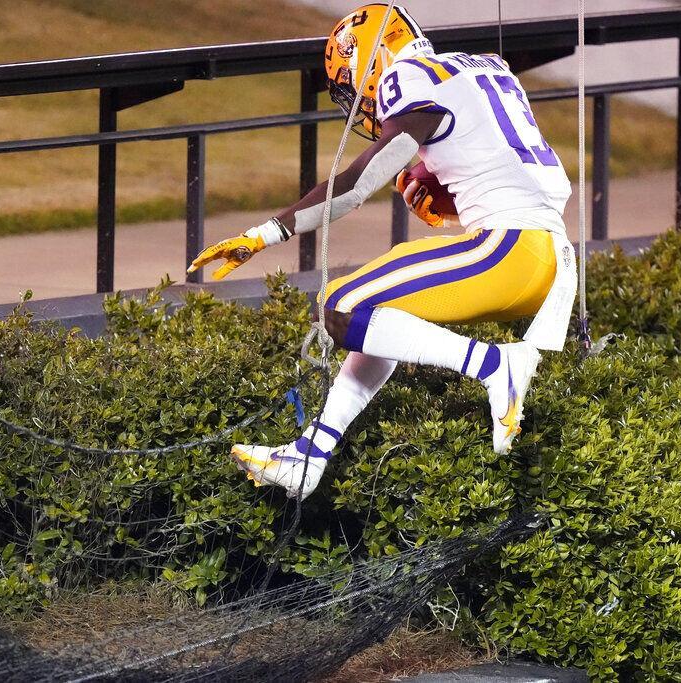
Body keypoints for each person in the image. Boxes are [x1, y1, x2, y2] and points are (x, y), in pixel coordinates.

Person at [188, 4, 577, 499]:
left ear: (368, 59)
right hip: (548, 260)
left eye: (353, 85)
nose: (360, 101)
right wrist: (447, 195)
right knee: (377, 313)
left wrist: (264, 234)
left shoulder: (407, 76)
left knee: (341, 305)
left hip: (508, 250)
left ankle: (495, 365)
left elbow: (355, 186)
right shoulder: (483, 67)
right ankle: (310, 455)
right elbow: (514, 167)